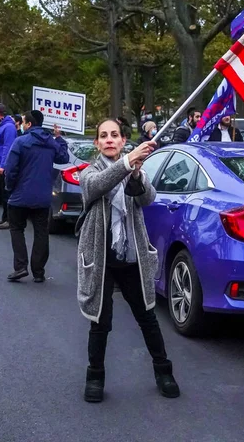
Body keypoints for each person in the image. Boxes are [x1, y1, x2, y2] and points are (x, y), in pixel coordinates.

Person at [78, 119, 180, 403]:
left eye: (115, 135)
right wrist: (127, 163)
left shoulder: (133, 169)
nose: (109, 139)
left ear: (123, 140)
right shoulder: (89, 173)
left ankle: (163, 371)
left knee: (147, 316)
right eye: (103, 136)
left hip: (131, 257)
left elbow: (148, 198)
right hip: (101, 259)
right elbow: (96, 186)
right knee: (100, 321)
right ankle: (95, 376)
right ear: (97, 144)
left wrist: (135, 174)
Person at [4, 110, 69, 283]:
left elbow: (11, 170)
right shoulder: (51, 143)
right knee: (41, 232)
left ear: (29, 124)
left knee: (17, 229)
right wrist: (59, 138)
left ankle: (20, 267)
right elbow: (63, 158)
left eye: (24, 122)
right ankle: (38, 271)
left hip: (20, 195)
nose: (22, 124)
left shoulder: (20, 142)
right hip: (42, 197)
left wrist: (9, 188)